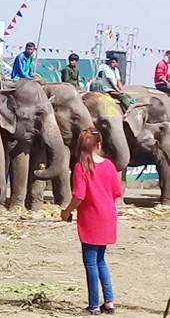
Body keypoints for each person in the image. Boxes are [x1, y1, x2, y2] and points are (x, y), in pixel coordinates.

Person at [60, 127, 122, 315]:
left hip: (92, 220)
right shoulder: (110, 166)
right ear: (99, 144)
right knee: (101, 260)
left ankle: (94, 305)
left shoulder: (81, 167)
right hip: (108, 217)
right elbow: (117, 192)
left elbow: (79, 195)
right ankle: (109, 301)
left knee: (91, 263)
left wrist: (67, 211)